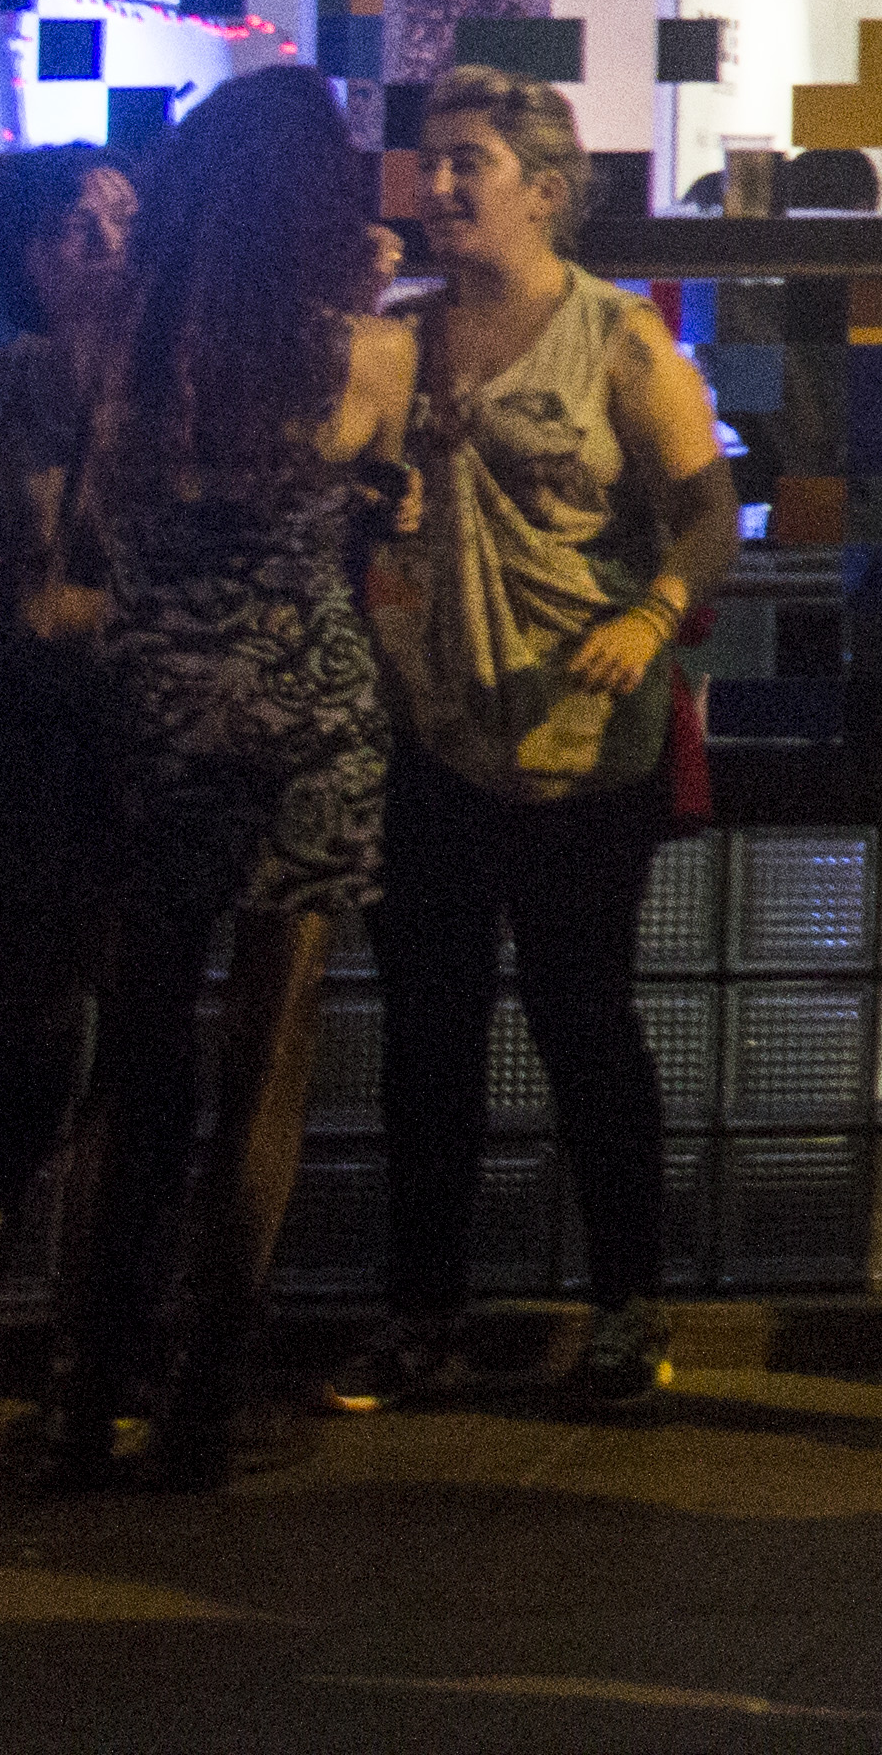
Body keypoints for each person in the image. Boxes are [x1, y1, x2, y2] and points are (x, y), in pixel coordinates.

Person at [312, 71, 736, 1418]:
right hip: (425, 729)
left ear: (545, 192)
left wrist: (656, 611)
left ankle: (628, 1307)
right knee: (426, 1035)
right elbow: (319, 464)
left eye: (468, 164)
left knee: (584, 1024)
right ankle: (423, 1313)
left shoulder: (618, 343)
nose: (438, 188)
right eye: (429, 162)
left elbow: (709, 507)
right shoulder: (398, 339)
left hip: (576, 737)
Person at [34, 69, 414, 1488]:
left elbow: (86, 536)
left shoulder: (121, 342)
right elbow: (375, 482)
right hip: (308, 719)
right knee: (268, 1063)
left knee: (133, 1061)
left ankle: (83, 1390)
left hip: (150, 724)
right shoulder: (370, 359)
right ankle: (206, 1391)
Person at [0, 143, 132, 1274]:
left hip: (147, 729)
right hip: (31, 735)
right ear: (31, 256)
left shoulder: (177, 388)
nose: (107, 244)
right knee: (33, 996)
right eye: (77, 227)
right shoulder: (13, 390)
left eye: (125, 219)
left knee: (130, 1010)